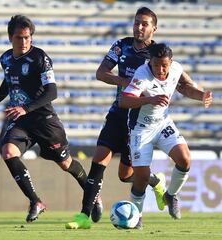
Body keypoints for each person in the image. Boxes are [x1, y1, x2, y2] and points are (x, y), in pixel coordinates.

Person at [66, 7, 203, 230]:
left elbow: (183, 81)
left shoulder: (158, 56)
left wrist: (200, 93)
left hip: (139, 121)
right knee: (99, 160)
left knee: (126, 175)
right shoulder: (122, 46)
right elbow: (101, 73)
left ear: (153, 28)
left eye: (144, 24)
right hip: (118, 113)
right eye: (136, 22)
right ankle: (83, 216)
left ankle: (156, 183)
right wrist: (125, 83)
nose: (139, 27)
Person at [0, 15, 102, 223]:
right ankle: (36, 201)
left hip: (44, 120)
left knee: (65, 163)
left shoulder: (40, 58)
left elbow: (52, 91)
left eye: (28, 37)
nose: (25, 42)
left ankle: (94, 195)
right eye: (20, 38)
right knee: (8, 152)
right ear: (11, 38)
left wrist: (26, 108)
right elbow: (8, 82)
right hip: (22, 121)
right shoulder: (6, 59)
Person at [119, 43, 212, 228]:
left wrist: (201, 95)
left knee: (185, 159)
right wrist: (149, 99)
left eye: (164, 65)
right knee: (142, 177)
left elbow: (185, 87)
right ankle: (137, 217)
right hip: (141, 129)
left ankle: (170, 195)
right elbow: (124, 101)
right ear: (150, 62)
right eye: (156, 65)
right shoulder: (142, 75)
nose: (160, 69)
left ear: (171, 63)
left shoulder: (176, 68)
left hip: (162, 124)